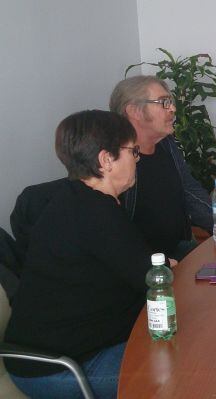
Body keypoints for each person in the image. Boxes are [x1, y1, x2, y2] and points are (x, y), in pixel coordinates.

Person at [4, 110, 154, 398]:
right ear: (106, 160)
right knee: (180, 368)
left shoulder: (77, 198)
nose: (138, 159)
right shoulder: (95, 213)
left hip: (77, 348)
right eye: (132, 151)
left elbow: (136, 268)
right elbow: (153, 277)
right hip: (61, 367)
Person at [109, 75, 212, 260]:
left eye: (171, 102)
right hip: (143, 263)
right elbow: (112, 235)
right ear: (134, 111)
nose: (173, 109)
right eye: (164, 102)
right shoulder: (112, 160)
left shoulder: (167, 145)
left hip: (181, 248)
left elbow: (189, 190)